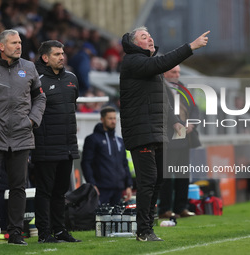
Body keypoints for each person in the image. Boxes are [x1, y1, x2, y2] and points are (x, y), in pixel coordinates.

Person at [120, 26, 209, 241]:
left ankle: (148, 227)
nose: (150, 38)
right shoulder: (133, 61)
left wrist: (176, 122)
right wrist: (190, 47)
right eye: (144, 36)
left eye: (150, 35)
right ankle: (143, 230)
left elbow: (165, 102)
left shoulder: (151, 67)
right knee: (148, 180)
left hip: (157, 131)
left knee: (159, 179)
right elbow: (162, 63)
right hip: (141, 131)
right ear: (134, 44)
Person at [0, 29, 46, 245]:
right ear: (2, 46)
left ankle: (15, 232)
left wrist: (31, 120)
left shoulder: (29, 67)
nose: (19, 46)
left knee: (18, 185)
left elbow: (40, 98)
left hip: (21, 134)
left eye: (20, 42)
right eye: (14, 42)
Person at [32, 40, 80, 243]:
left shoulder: (72, 78)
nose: (62, 57)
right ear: (45, 57)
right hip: (45, 145)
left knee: (61, 191)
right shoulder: (36, 80)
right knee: (44, 191)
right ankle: (44, 233)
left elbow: (71, 107)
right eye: (56, 54)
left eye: (62, 53)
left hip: (68, 145)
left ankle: (60, 230)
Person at [159, 65, 200, 219]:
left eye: (178, 72)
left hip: (185, 137)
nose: (176, 75)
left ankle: (181, 207)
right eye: (173, 72)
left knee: (183, 174)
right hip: (169, 137)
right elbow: (164, 110)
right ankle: (165, 209)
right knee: (167, 175)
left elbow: (195, 108)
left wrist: (192, 124)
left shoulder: (183, 87)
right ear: (164, 72)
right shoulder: (159, 87)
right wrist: (177, 123)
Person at [81, 106, 133, 206]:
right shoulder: (92, 139)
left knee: (116, 220)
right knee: (100, 220)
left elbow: (124, 163)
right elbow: (86, 163)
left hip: (119, 189)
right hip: (101, 189)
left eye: (114, 118)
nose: (113, 121)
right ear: (102, 119)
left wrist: (128, 185)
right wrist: (92, 184)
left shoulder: (120, 140)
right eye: (110, 118)